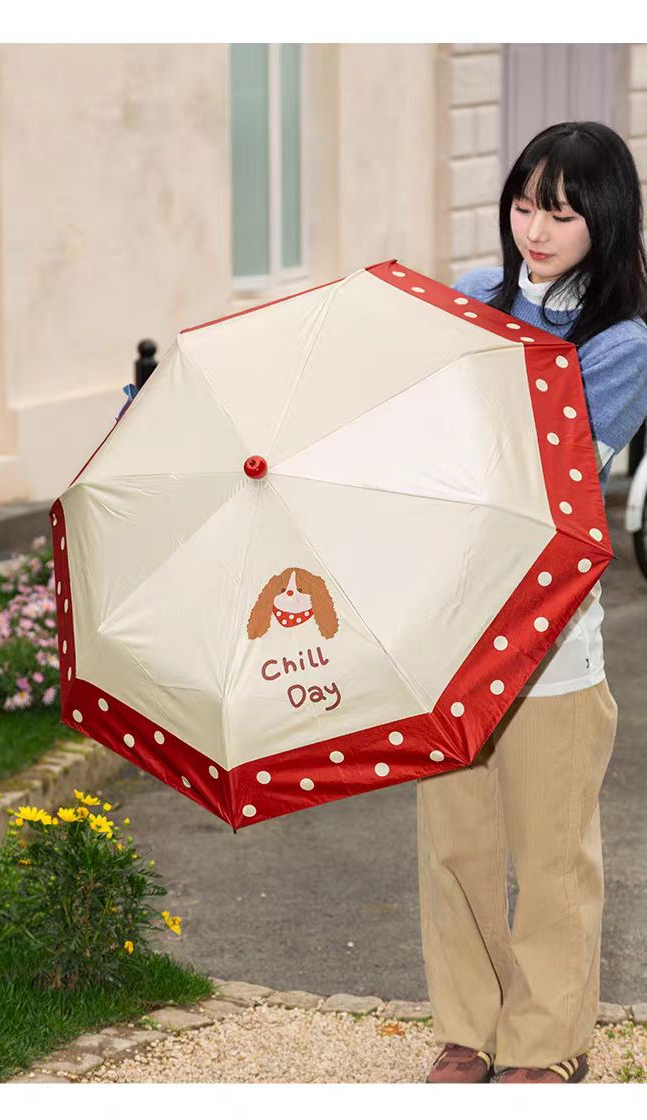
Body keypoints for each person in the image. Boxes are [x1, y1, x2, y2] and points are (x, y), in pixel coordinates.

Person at [419, 120, 647, 1084]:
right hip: (447, 623)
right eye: (523, 207)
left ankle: (548, 1045)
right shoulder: (474, 295)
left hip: (550, 637)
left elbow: (556, 477)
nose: (536, 231)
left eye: (560, 213)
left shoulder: (625, 344)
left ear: (606, 218)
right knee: (455, 843)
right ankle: (468, 1029)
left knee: (553, 855)